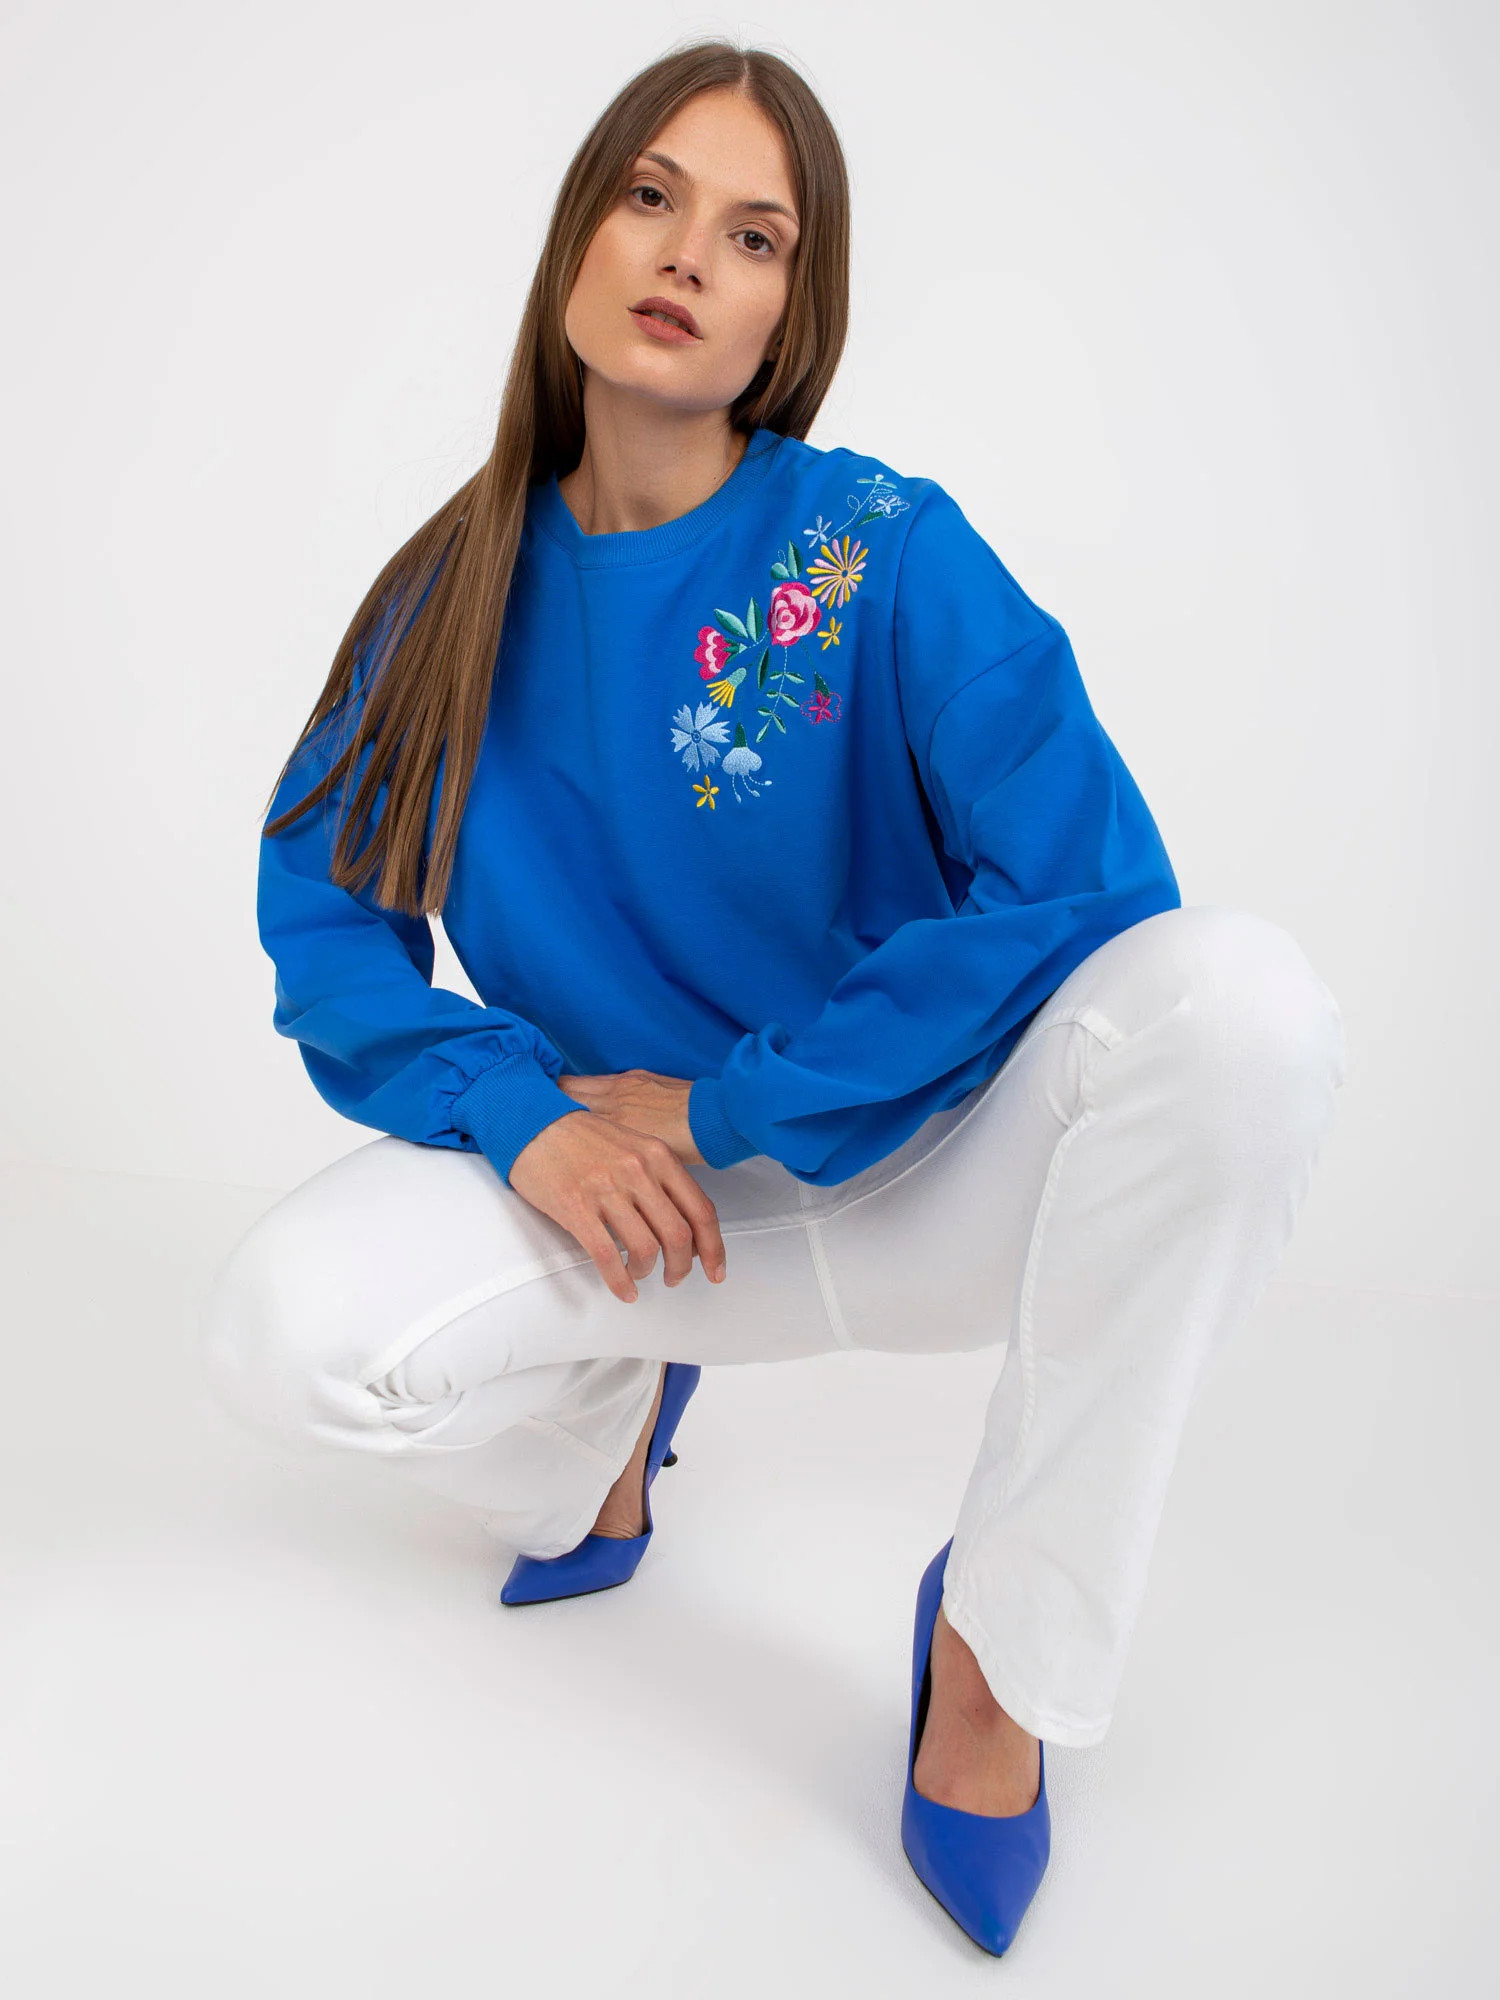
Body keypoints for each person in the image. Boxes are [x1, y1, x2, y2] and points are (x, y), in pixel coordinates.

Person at [199, 38, 1348, 1958]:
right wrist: (526, 1118)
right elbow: (323, 927)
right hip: (645, 1224)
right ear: (578, 236)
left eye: (754, 235)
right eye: (651, 197)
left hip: (928, 1180)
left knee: (1247, 1010)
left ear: (789, 315)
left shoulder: (876, 548)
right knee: (280, 1333)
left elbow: (1089, 887)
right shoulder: (444, 597)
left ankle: (1001, 1652)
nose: (687, 255)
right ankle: (596, 1452)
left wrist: (743, 1098)